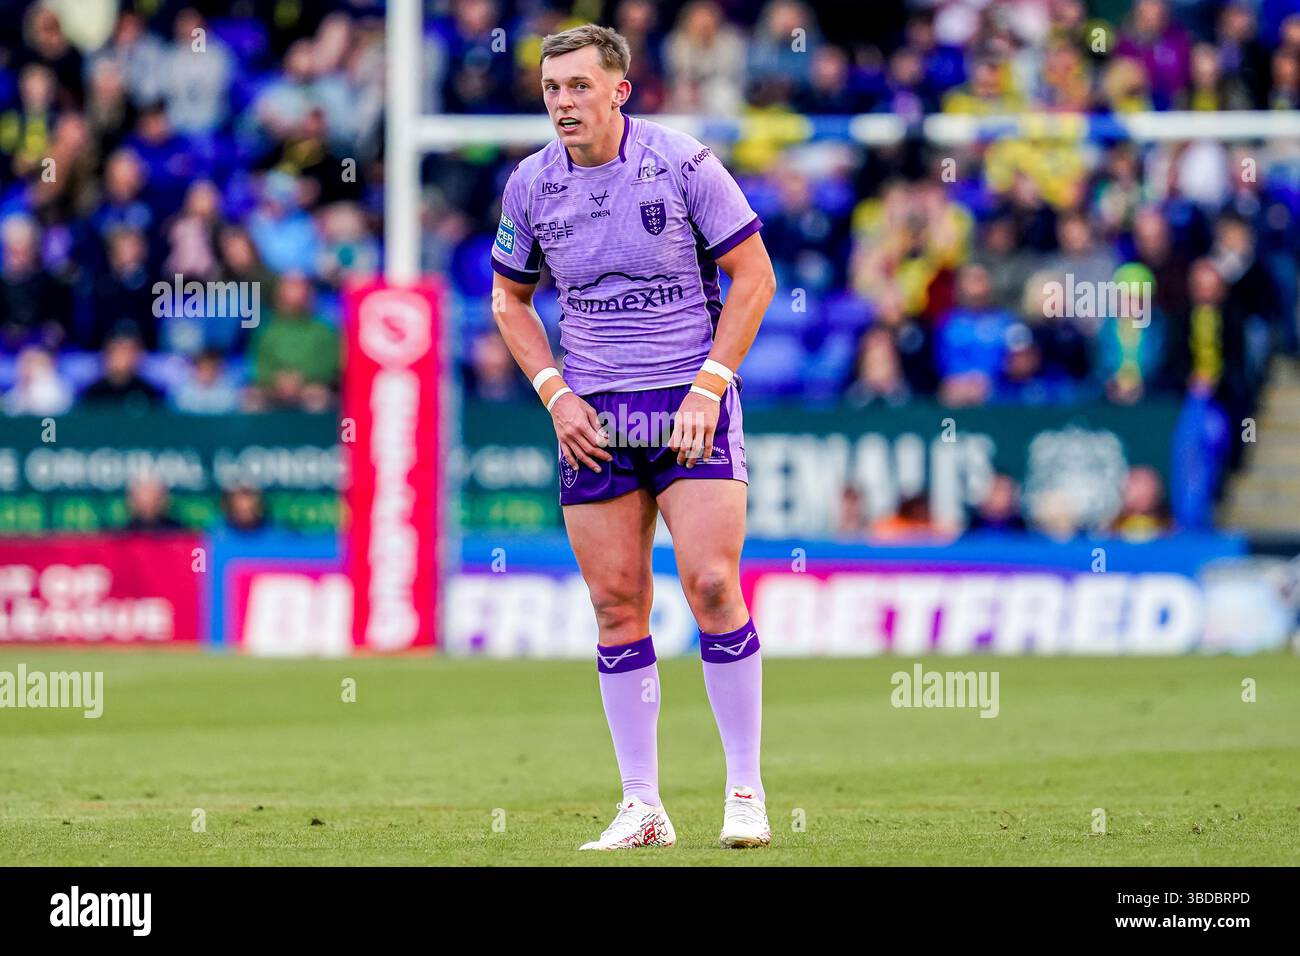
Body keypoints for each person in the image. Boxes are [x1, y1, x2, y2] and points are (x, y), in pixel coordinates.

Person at [490, 24, 776, 851]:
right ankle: (643, 806)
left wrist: (710, 386)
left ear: (620, 90)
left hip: (688, 401)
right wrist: (554, 394)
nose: (562, 103)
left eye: (579, 87)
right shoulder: (530, 185)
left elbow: (755, 276)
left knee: (713, 583)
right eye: (551, 90)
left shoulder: (684, 164)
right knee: (617, 604)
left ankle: (746, 788)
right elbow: (510, 301)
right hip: (594, 415)